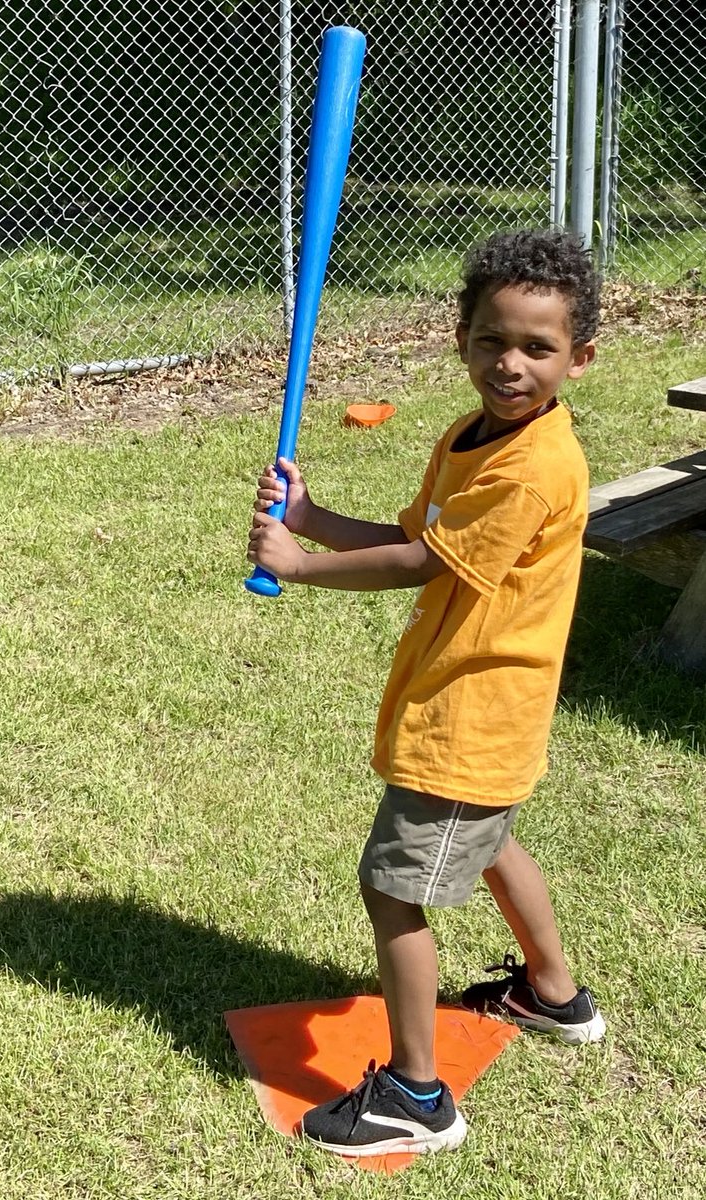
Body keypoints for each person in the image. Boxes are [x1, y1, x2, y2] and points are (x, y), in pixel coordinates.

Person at [247, 229, 606, 1158]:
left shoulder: (534, 465)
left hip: (473, 714)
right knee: (490, 842)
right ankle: (553, 995)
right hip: (471, 705)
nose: (512, 364)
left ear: (581, 357)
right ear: (462, 338)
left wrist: (301, 566)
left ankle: (416, 1093)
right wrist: (313, 518)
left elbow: (418, 563)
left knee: (391, 887)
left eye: (538, 348)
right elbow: (417, 528)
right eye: (493, 340)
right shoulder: (470, 436)